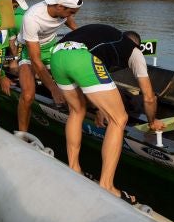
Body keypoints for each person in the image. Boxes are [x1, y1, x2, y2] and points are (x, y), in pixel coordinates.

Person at [50, 24, 165, 202]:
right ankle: (107, 185)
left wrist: (98, 108)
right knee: (119, 119)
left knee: (77, 111)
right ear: (136, 45)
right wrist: (152, 122)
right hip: (80, 58)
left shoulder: (107, 39)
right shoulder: (135, 52)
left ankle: (74, 168)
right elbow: (149, 97)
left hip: (57, 55)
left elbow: (89, 79)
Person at [15, 0, 81, 132]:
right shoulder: (32, 18)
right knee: (27, 95)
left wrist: (81, 33)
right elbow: (36, 60)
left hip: (51, 47)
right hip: (28, 49)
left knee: (76, 76)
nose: (71, 15)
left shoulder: (64, 11)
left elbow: (69, 20)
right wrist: (53, 89)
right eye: (70, 12)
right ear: (59, 6)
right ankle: (22, 134)